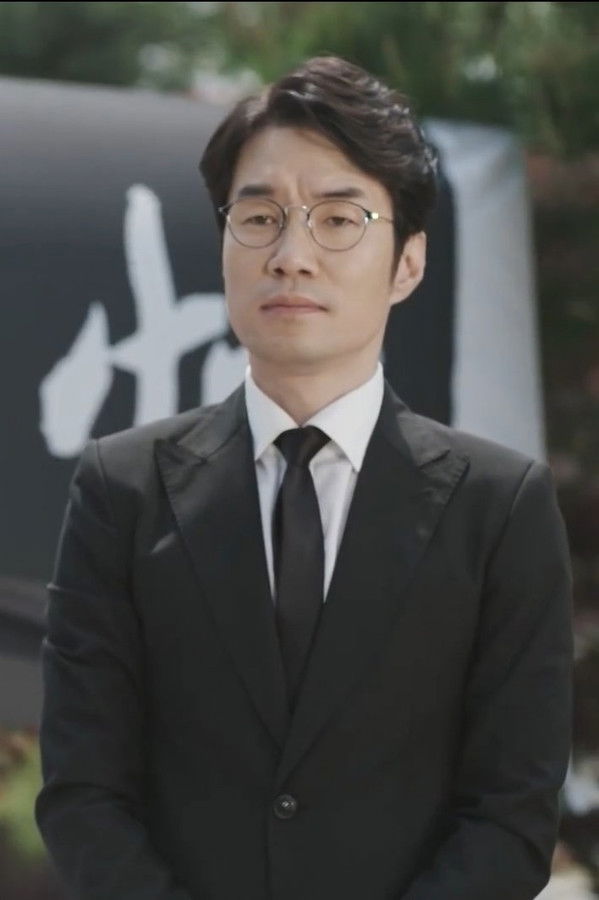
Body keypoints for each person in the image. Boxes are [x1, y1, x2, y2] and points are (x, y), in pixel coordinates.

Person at [35, 56, 573, 900]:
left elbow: (511, 814)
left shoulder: (498, 507)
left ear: (407, 263)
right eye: (259, 217)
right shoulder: (123, 489)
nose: (291, 256)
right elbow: (83, 792)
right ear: (223, 245)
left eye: (338, 219)